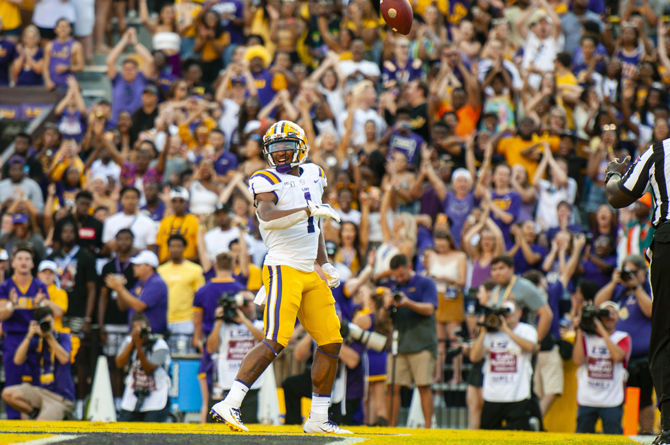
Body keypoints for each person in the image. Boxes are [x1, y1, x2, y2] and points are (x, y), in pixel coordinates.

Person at [209, 120, 348, 434]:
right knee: (275, 339)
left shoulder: (314, 173)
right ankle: (229, 403)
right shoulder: (264, 178)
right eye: (274, 148)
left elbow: (317, 227)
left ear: (301, 147)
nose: (281, 153)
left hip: (309, 270)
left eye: (286, 147)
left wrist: (324, 263)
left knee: (331, 342)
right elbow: (268, 218)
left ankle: (317, 418)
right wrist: (310, 210)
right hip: (282, 266)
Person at [604, 141, 670, 444]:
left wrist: (613, 174)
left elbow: (619, 196)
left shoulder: (661, 150)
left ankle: (669, 427)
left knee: (665, 335)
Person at [594, 254, 654, 434]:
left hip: (641, 358)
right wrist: (614, 282)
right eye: (626, 272)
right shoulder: (618, 291)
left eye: (633, 272)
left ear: (643, 272)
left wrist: (636, 286)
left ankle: (645, 433)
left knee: (643, 400)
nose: (629, 275)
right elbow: (598, 304)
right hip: (618, 359)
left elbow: (651, 311)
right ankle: (630, 434)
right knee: (626, 399)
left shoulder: (648, 288)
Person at [385, 253, 438, 428]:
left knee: (423, 386)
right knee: (392, 387)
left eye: (401, 274)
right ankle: (391, 427)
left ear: (409, 267)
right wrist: (387, 305)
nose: (399, 278)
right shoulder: (395, 287)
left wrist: (408, 302)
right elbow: (387, 319)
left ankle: (428, 427)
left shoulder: (426, 283)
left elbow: (430, 309)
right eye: (396, 276)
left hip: (422, 343)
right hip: (399, 345)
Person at [193, 252, 246, 423]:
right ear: (232, 266)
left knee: (207, 399)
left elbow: (197, 322)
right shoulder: (239, 290)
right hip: (236, 345)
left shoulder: (202, 291)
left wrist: (198, 340)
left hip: (212, 342)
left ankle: (205, 428)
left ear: (215, 266)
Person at [470, 299, 538, 430]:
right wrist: (484, 329)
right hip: (492, 396)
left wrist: (506, 330)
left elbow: (531, 347)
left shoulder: (526, 330)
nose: (506, 317)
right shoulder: (491, 333)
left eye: (509, 313)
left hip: (518, 396)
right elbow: (474, 357)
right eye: (503, 314)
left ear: (519, 313)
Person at [0, 246, 50, 419]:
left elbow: (48, 316)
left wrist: (40, 305)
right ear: (13, 263)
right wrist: (12, 305)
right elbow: (1, 315)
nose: (23, 262)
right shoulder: (6, 286)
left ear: (32, 263)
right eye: (20, 258)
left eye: (27, 259)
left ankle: (36, 417)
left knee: (37, 381)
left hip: (36, 338)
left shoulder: (40, 285)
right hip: (14, 338)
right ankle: (14, 421)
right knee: (12, 380)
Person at [1, 306, 75, 420]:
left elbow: (64, 359)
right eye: (43, 323)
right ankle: (34, 412)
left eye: (49, 322)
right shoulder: (35, 340)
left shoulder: (63, 337)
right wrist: (29, 335)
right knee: (7, 393)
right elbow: (17, 360)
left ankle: (64, 415)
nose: (47, 326)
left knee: (40, 427)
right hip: (40, 391)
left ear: (53, 320)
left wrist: (49, 337)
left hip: (60, 397)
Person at [573, 301, 631, 434]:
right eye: (605, 313)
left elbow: (617, 357)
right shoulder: (586, 336)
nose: (609, 316)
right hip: (587, 399)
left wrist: (602, 331)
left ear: (618, 317)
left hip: (612, 400)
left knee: (614, 440)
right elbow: (578, 360)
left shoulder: (622, 337)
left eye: (613, 313)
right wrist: (580, 329)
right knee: (582, 440)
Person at [206, 291, 264, 423]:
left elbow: (263, 339)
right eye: (243, 302)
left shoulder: (259, 325)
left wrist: (243, 320)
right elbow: (210, 348)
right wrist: (219, 321)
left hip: (251, 383)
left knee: (249, 424)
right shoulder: (224, 326)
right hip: (227, 382)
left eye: (248, 301)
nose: (246, 306)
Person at [98, 228, 137, 412]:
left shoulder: (135, 267)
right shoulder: (108, 267)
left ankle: (129, 403)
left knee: (130, 365)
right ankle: (116, 401)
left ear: (132, 242)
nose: (123, 242)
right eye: (120, 239)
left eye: (127, 239)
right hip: (112, 322)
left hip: (130, 322)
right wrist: (101, 325)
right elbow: (103, 296)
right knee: (114, 364)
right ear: (115, 242)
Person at [115, 312, 171, 422]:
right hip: (133, 395)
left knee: (150, 433)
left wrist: (139, 347)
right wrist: (133, 343)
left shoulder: (160, 345)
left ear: (149, 328)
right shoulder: (129, 342)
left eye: (142, 329)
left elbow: (148, 368)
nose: (140, 333)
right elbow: (119, 363)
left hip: (156, 396)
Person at [157, 233, 204, 353]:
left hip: (185, 320)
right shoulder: (160, 270)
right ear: (168, 248)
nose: (175, 249)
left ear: (184, 248)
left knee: (184, 357)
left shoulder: (195, 270)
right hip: (163, 319)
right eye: (172, 246)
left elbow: (200, 298)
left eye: (178, 246)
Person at [105, 250, 168, 335]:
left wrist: (120, 288)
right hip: (137, 334)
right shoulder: (140, 283)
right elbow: (123, 306)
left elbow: (139, 306)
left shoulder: (156, 283)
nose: (134, 267)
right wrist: (119, 290)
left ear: (149, 266)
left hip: (152, 335)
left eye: (138, 265)